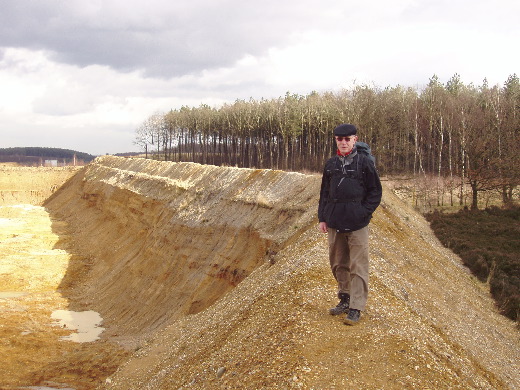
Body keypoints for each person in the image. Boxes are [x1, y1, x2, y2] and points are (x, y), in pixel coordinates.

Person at [318, 124, 382, 325]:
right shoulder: (331, 164)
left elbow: (375, 192)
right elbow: (324, 194)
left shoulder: (364, 163)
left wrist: (363, 213)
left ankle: (356, 307)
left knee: (358, 266)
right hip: (335, 222)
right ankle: (344, 299)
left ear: (355, 139)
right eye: (339, 139)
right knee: (338, 264)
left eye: (347, 139)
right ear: (335, 140)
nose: (343, 142)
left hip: (357, 224)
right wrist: (323, 217)